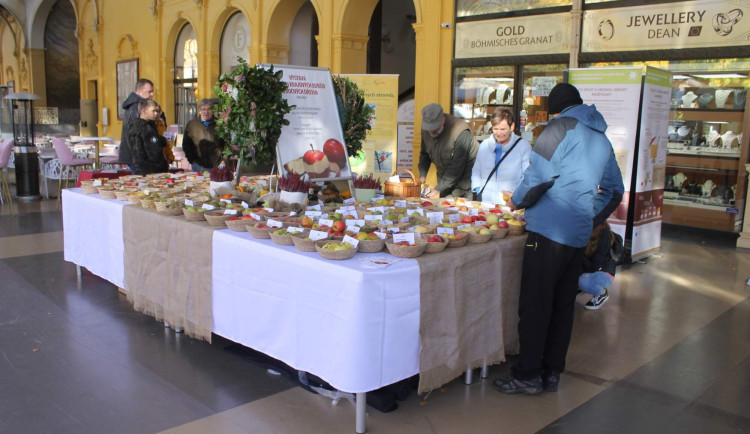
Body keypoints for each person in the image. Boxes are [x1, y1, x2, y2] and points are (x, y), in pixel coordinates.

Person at [494, 83, 624, 395]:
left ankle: (527, 375)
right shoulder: (601, 137)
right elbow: (614, 190)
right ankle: (552, 373)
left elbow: (540, 176)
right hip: (577, 236)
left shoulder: (558, 128)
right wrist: (587, 218)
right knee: (563, 306)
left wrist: (518, 201)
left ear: (555, 109)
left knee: (536, 305)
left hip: (548, 233)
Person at [471, 108, 531, 204]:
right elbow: (476, 171)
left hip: (510, 204)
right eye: (495, 129)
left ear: (512, 127)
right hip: (486, 204)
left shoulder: (523, 146)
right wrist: (478, 189)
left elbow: (527, 176)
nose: (499, 133)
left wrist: (516, 197)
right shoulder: (484, 145)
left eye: (503, 129)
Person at [418, 103, 478, 199]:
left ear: (443, 120)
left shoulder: (460, 132)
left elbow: (457, 168)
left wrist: (437, 189)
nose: (432, 131)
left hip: (465, 184)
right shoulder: (426, 129)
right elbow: (424, 154)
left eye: (435, 127)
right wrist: (422, 176)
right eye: (429, 128)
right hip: (444, 182)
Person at [579, 221, 617, 310]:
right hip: (589, 268)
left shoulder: (604, 235)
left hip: (604, 272)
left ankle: (602, 293)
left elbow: (593, 266)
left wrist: (579, 253)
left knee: (582, 281)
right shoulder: (584, 230)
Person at [119, 78, 155, 170]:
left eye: (152, 91)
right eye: (149, 92)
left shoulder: (135, 105)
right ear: (139, 91)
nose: (152, 94)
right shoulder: (136, 107)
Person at [182, 99, 224, 172]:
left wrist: (224, 160)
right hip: (198, 166)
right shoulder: (192, 125)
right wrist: (192, 160)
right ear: (199, 111)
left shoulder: (220, 124)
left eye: (209, 109)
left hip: (217, 165)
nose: (206, 112)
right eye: (203, 109)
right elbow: (186, 144)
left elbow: (226, 144)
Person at [129, 99, 168, 175]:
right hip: (152, 170)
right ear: (144, 111)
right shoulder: (147, 128)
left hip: (139, 169)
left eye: (157, 111)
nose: (156, 113)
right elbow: (154, 151)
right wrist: (162, 167)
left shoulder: (134, 126)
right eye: (153, 111)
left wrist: (160, 139)